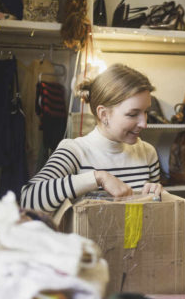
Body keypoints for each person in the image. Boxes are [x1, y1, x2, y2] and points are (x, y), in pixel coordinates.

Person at [20, 64, 163, 212]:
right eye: (133, 114)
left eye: (146, 112)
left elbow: (154, 215)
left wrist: (156, 195)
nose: (144, 123)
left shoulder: (147, 152)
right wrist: (97, 178)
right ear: (103, 114)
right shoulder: (74, 151)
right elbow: (28, 199)